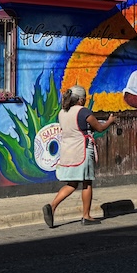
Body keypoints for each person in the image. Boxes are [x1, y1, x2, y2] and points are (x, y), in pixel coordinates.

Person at [42, 85, 116, 227]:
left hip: (68, 150)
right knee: (87, 182)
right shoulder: (83, 112)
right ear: (80, 100)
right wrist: (110, 121)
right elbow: (99, 127)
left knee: (72, 183)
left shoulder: (62, 113)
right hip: (82, 149)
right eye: (85, 99)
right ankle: (86, 216)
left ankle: (52, 206)